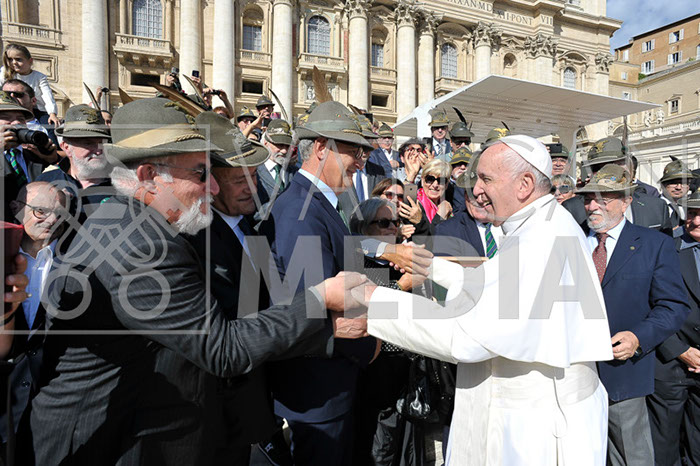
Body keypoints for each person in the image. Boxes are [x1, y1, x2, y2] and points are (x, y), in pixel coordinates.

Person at [29, 97, 370, 465]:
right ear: (148, 176)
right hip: (108, 440)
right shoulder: (141, 245)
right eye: (200, 174)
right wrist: (320, 299)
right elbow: (223, 348)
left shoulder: (142, 224)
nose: (214, 188)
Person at [356, 135, 615, 464]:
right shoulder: (538, 225)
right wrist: (428, 267)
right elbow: (488, 287)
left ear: (524, 184)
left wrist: (374, 301)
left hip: (532, 431)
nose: (476, 189)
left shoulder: (541, 238)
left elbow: (468, 335)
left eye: (486, 179)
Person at [262, 101, 433, 465]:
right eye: (352, 150)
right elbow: (315, 305)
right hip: (318, 393)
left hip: (332, 386)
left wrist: (386, 252)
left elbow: (344, 261)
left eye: (363, 151)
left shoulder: (320, 203)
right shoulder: (302, 211)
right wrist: (370, 347)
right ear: (320, 147)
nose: (361, 160)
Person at [577, 163, 689, 465]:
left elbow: (673, 305)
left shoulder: (654, 244)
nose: (593, 206)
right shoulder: (570, 241)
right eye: (588, 199)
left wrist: (638, 337)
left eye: (604, 199)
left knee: (631, 456)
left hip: (622, 374)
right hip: (573, 373)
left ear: (626, 201)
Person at [1, 182, 66, 462]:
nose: (51, 220)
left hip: (51, 407)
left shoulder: (75, 262)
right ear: (17, 209)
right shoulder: (2, 259)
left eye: (60, 214)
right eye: (41, 211)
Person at [647, 187, 700, 466]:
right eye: (692, 213)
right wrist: (680, 350)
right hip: (669, 362)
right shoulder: (665, 247)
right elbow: (649, 303)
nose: (696, 220)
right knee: (664, 446)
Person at [563, 137, 671, 234]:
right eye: (598, 168)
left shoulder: (656, 207)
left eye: (615, 165)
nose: (607, 172)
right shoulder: (571, 209)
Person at [1, 90, 54, 220]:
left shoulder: (35, 156)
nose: (16, 123)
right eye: (6, 118)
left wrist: (54, 159)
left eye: (20, 119)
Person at [0, 44, 59, 127]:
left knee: (49, 125)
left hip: (37, 110)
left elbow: (47, 96)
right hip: (11, 107)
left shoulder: (39, 77)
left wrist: (52, 113)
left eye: (18, 59)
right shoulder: (5, 73)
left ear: (30, 61)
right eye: (10, 59)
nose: (14, 62)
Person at [2, 78, 59, 161]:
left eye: (18, 95)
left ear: (33, 101)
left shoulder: (49, 123)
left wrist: (50, 157)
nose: (11, 97)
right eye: (6, 94)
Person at [255, 118, 297, 223]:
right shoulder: (254, 173)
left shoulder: (295, 172)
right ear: (266, 143)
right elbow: (252, 214)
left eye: (287, 145)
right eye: (279, 144)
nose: (284, 150)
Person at [371, 178, 430, 242]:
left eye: (400, 197)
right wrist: (396, 234)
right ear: (378, 196)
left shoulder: (410, 222)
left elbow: (426, 245)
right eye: (390, 195)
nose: (395, 200)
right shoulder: (370, 219)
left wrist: (420, 224)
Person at [659, 159, 698, 227]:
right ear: (663, 185)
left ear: (688, 186)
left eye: (683, 183)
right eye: (673, 183)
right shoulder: (651, 206)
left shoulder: (693, 207)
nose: (678, 187)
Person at [416, 159, 453, 226]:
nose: (435, 185)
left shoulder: (447, 206)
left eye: (441, 181)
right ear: (422, 181)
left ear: (446, 185)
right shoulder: (416, 205)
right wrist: (440, 216)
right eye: (430, 179)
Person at [447, 146, 472, 215]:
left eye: (467, 164)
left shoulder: (476, 188)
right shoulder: (443, 185)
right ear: (451, 168)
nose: (462, 167)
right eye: (458, 164)